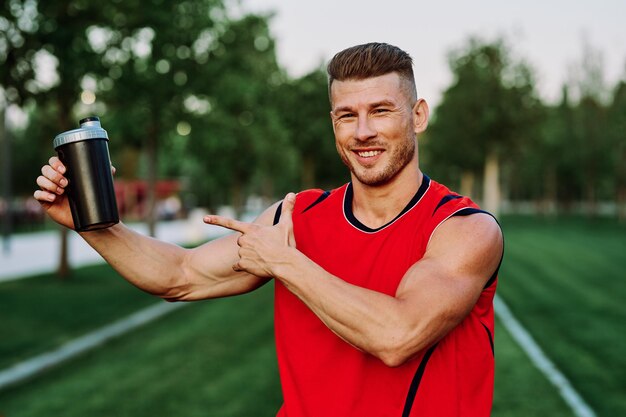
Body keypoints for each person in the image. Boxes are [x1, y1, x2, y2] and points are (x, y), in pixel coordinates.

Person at [35, 42, 503, 417]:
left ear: (417, 115)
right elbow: (179, 274)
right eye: (346, 115)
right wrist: (91, 227)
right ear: (333, 123)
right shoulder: (297, 216)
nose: (362, 131)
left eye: (380, 111)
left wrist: (285, 262)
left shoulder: (464, 229)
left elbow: (398, 335)